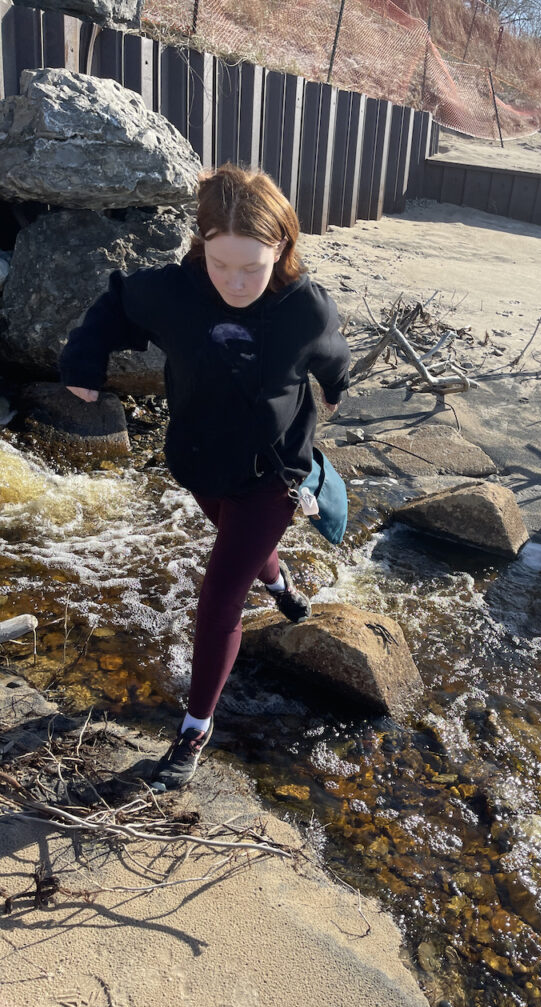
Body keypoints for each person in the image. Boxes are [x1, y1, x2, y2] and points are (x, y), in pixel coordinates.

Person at [59, 164, 351, 790]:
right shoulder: (173, 291)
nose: (236, 282)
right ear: (202, 246)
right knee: (240, 546)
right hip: (199, 461)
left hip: (274, 472)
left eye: (253, 266)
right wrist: (82, 359)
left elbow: (333, 355)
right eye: (222, 265)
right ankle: (279, 582)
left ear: (283, 249)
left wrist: (336, 388)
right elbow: (114, 308)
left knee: (218, 600)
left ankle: (195, 728)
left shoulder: (304, 306)